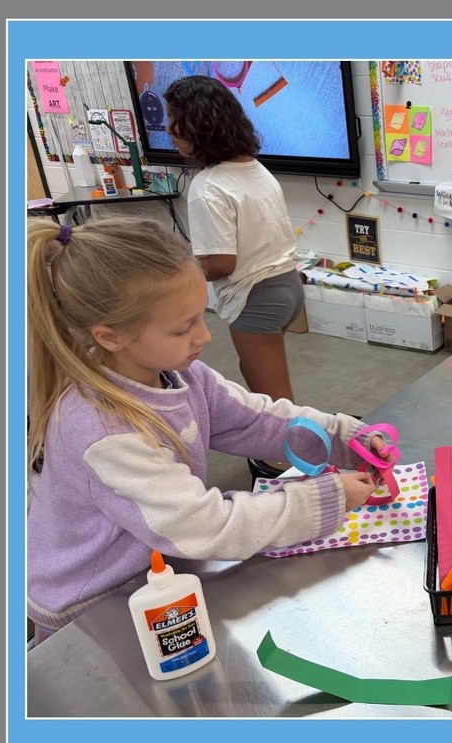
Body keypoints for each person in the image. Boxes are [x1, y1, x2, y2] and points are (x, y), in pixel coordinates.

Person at [26, 217, 391, 643]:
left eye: (202, 316)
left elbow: (259, 419)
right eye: (183, 328)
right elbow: (204, 527)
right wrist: (326, 498)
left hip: (155, 572)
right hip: (90, 609)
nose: (204, 336)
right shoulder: (102, 431)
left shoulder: (182, 375)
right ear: (110, 337)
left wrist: (343, 438)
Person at [163, 74, 304, 477]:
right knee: (257, 378)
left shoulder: (208, 187)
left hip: (255, 297)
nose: (169, 130)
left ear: (196, 126)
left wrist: (178, 269)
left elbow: (221, 263)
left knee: (277, 399)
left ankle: (287, 468)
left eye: (175, 120)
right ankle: (279, 453)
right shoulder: (253, 168)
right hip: (286, 287)